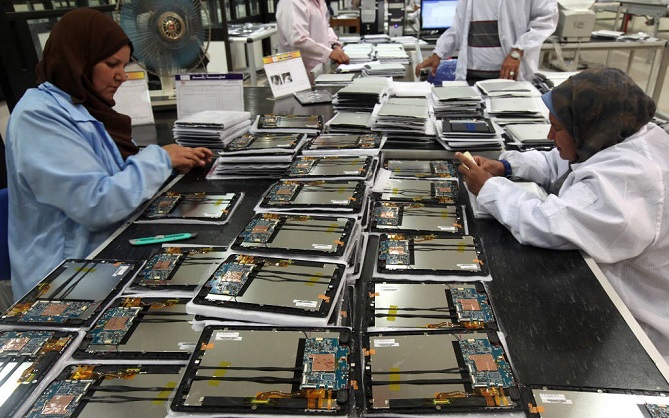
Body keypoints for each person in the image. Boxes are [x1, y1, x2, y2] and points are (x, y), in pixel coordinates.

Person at [456, 67, 669, 362]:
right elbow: (564, 163)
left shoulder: (631, 176)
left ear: (588, 127)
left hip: (637, 333)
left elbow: (550, 224)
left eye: (557, 128)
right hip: (607, 297)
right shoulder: (618, 136)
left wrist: (489, 188)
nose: (549, 135)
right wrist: (507, 167)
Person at [5, 8, 213, 301]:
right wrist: (160, 160)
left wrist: (168, 159)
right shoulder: (38, 117)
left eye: (124, 65)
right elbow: (95, 203)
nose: (122, 76)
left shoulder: (79, 104)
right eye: (111, 64)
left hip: (102, 254)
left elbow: (108, 169)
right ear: (79, 59)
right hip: (63, 281)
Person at [415, 0, 558, 83]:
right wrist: (438, 53)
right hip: (470, 75)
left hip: (508, 75)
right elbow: (459, 27)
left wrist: (518, 51)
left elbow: (545, 21)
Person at [275, 0, 350, 74]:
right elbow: (298, 41)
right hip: (296, 72)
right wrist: (329, 53)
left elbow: (325, 27)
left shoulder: (320, 2)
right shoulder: (291, 2)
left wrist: (334, 45)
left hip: (317, 69)